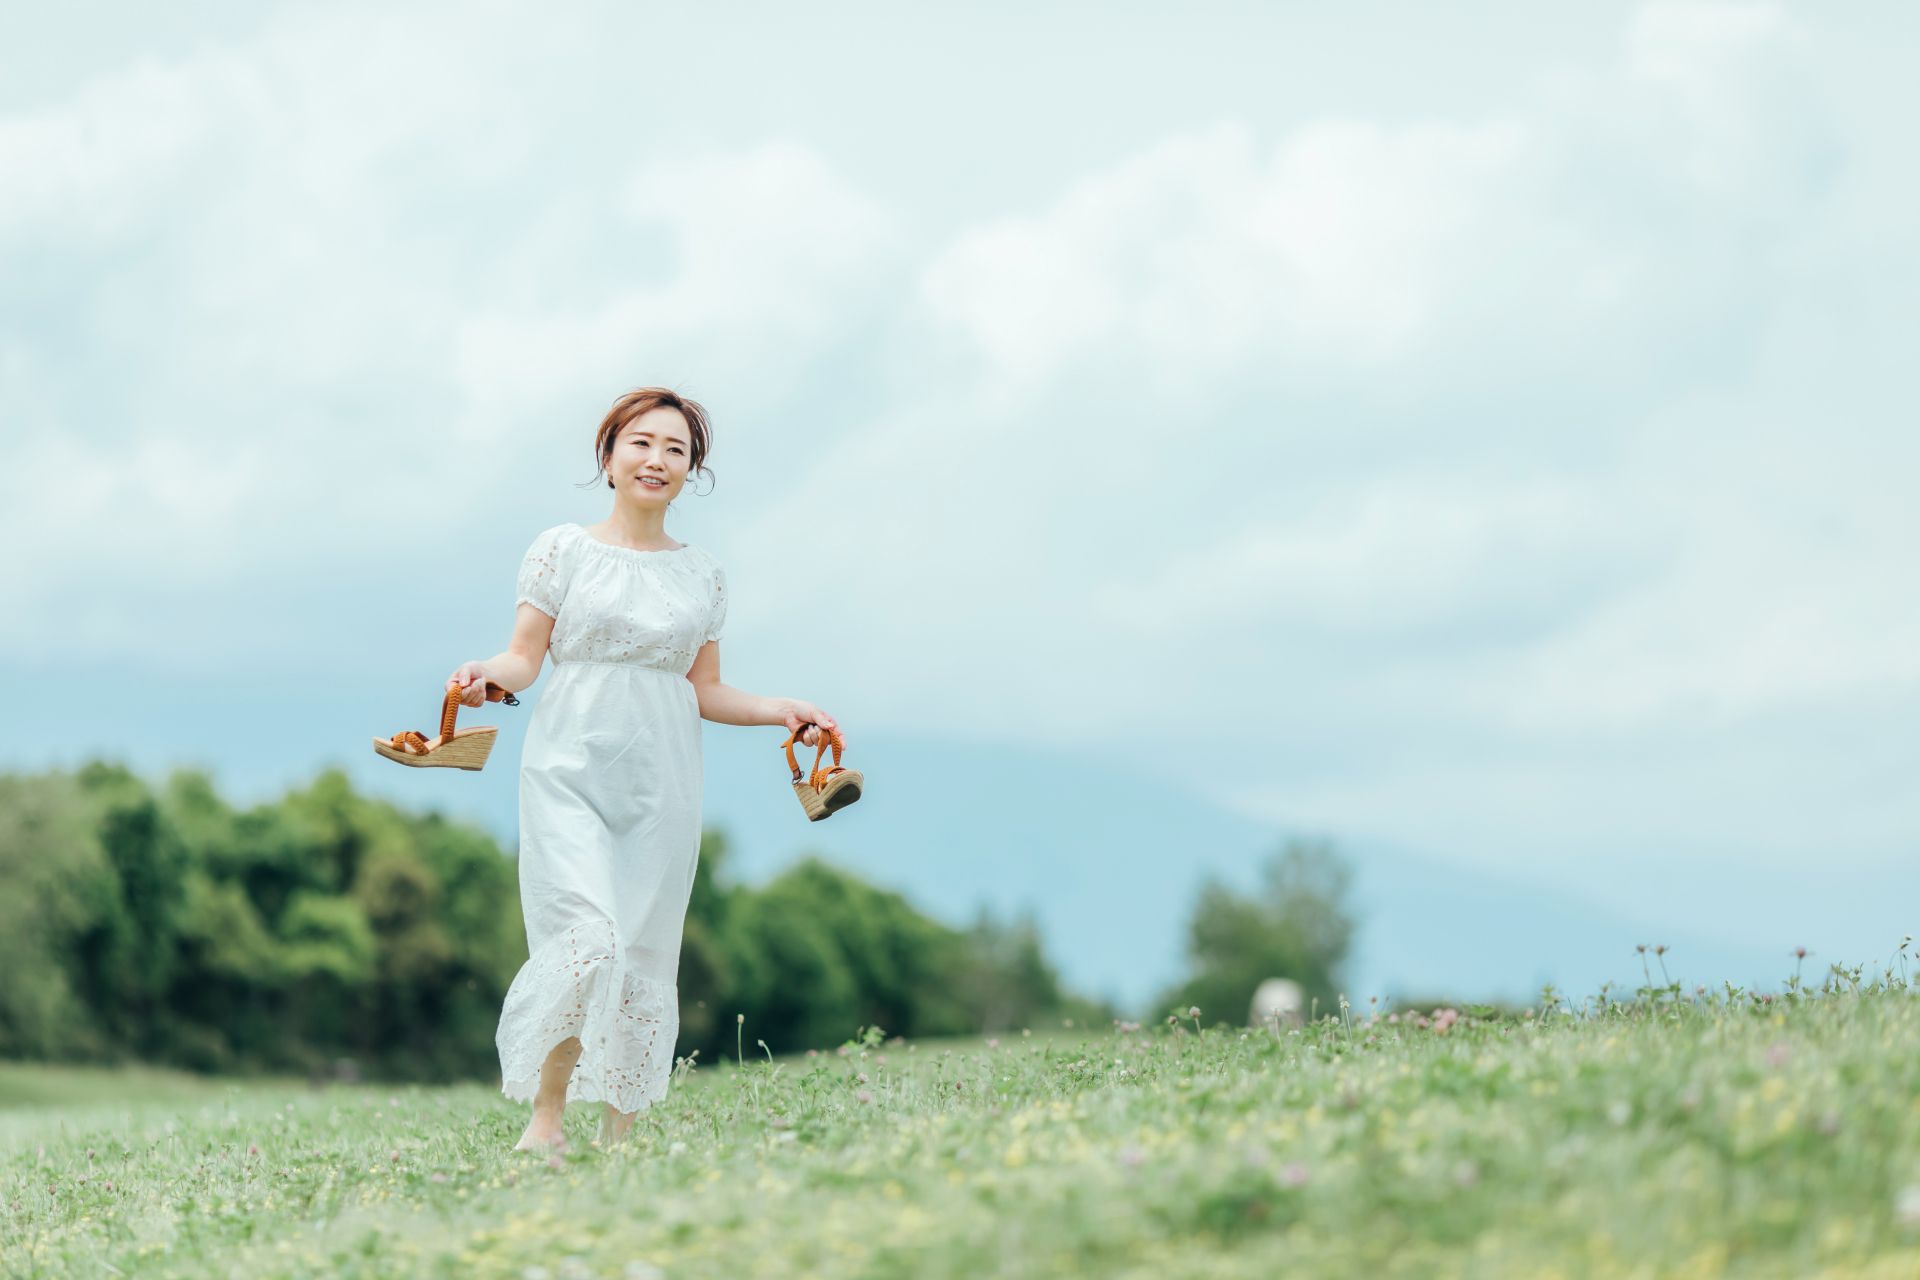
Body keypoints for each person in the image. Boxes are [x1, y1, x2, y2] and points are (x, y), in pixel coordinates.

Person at [449, 387, 841, 1151]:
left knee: (641, 950)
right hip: (568, 766)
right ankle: (546, 1121)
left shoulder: (702, 575)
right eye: (642, 443)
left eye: (676, 450)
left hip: (662, 782)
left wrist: (780, 708)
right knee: (584, 937)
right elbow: (523, 659)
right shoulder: (562, 550)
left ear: (692, 472)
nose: (657, 460)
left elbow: (705, 690)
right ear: (608, 456)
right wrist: (482, 671)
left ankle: (618, 1136)